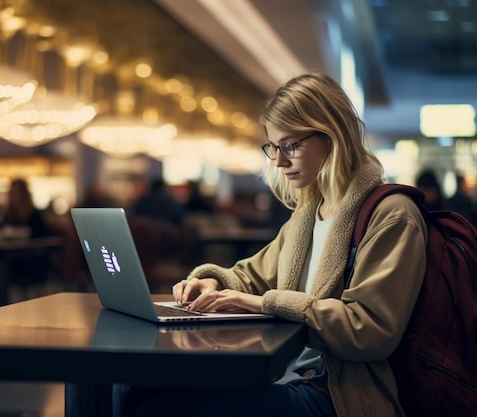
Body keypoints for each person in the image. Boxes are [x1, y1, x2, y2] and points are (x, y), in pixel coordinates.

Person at [116, 72, 428, 417]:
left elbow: (367, 330)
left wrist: (266, 303)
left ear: (332, 135)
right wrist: (213, 281)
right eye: (273, 147)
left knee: (158, 410)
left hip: (340, 394)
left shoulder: (392, 215)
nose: (279, 161)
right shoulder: (310, 212)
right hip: (289, 373)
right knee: (130, 383)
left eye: (290, 145)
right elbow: (253, 274)